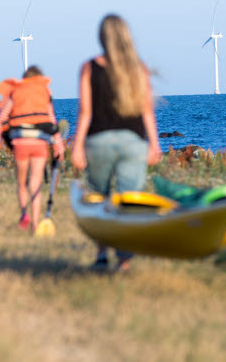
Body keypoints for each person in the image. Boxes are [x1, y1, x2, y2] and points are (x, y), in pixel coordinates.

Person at [71, 14, 162, 272]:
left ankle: (101, 255)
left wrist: (77, 145)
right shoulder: (139, 68)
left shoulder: (89, 68)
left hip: (98, 140)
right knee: (130, 203)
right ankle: (124, 260)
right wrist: (154, 143)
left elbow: (85, 111)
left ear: (101, 37)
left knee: (99, 199)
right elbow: (147, 110)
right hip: (133, 142)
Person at [0, 65, 65, 233]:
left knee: (22, 183)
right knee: (35, 183)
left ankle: (24, 214)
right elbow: (52, 121)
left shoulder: (16, 92)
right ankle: (36, 223)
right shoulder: (45, 93)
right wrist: (59, 147)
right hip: (40, 144)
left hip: (20, 143)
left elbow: (2, 118)